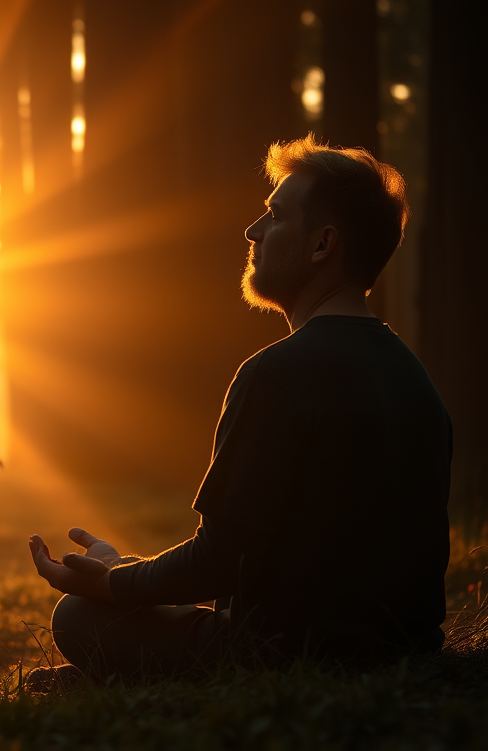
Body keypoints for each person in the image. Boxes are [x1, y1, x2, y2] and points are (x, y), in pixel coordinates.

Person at [29, 134, 451, 681]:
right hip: (405, 654)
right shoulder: (416, 380)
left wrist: (110, 582)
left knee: (79, 615)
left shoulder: (277, 373)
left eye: (275, 216)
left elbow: (222, 560)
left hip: (281, 658)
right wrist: (129, 571)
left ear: (323, 245)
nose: (252, 231)